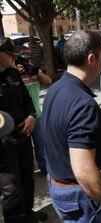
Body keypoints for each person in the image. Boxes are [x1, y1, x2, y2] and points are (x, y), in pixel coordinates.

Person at [42, 31, 101, 222]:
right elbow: (84, 172)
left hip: (57, 185)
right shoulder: (83, 104)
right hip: (77, 196)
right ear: (91, 58)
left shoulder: (55, 88)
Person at [0, 36, 48, 222]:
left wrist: (31, 116)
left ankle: (28, 213)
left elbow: (27, 99)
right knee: (10, 188)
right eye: (10, 54)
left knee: (27, 179)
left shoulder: (12, 74)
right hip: (3, 147)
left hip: (22, 137)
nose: (14, 57)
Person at [16, 55, 52, 174]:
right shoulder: (14, 76)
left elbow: (48, 81)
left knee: (41, 143)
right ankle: (26, 171)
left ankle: (45, 168)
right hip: (21, 118)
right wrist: (16, 74)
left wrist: (37, 71)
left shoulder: (34, 73)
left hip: (37, 115)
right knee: (24, 147)